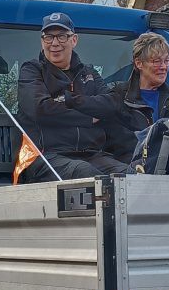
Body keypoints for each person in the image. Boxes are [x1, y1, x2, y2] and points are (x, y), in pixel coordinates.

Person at [17, 12, 129, 182]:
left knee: (130, 174)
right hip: (44, 157)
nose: (55, 43)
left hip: (92, 154)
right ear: (42, 41)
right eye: (49, 37)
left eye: (62, 36)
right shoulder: (32, 70)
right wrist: (89, 117)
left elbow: (112, 104)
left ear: (74, 40)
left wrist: (70, 101)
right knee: (86, 173)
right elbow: (40, 109)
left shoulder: (89, 73)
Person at [106, 32, 169, 162]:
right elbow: (116, 140)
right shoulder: (119, 95)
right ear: (139, 63)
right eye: (156, 61)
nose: (163, 67)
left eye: (166, 61)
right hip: (131, 168)